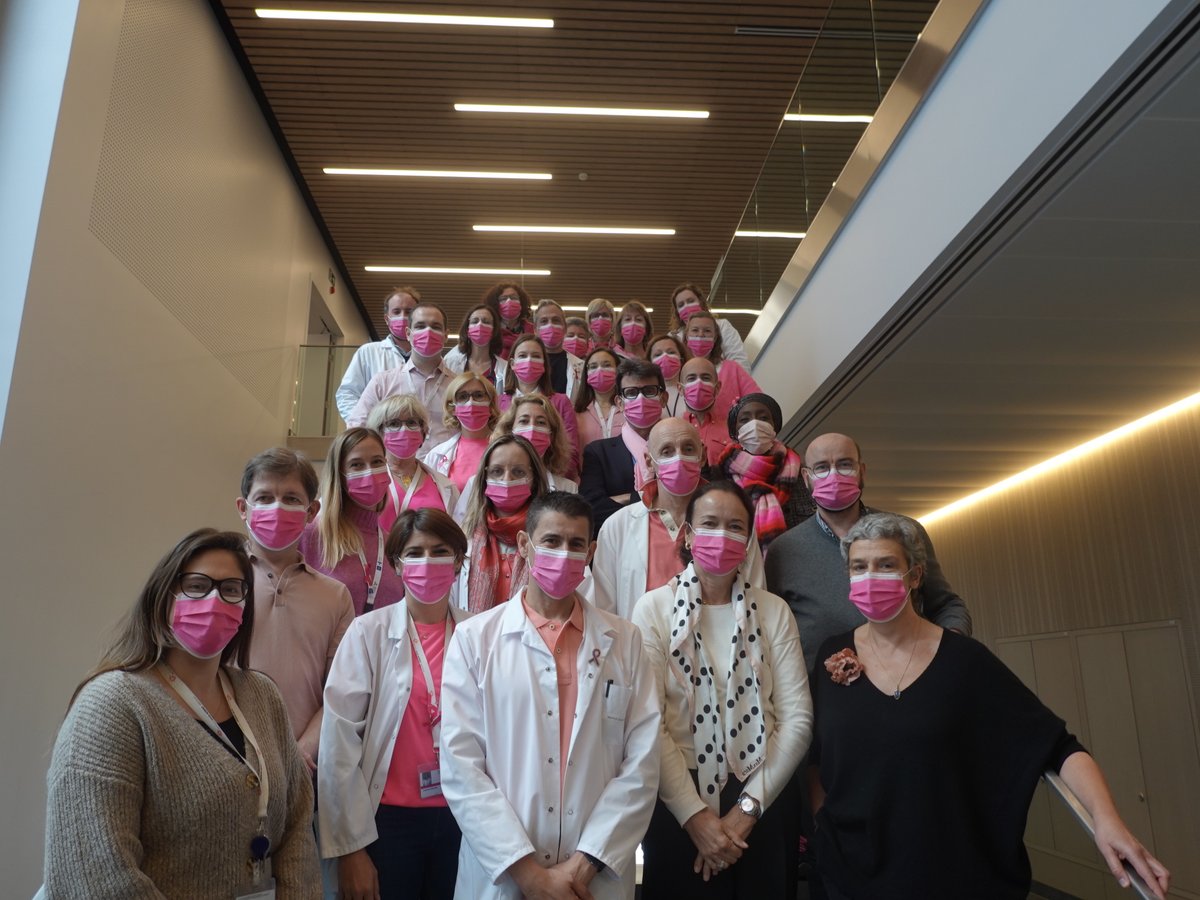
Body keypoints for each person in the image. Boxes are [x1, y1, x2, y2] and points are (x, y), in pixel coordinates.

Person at [808, 513, 1170, 900]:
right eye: (859, 567)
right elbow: (817, 755)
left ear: (914, 576)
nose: (870, 578)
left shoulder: (964, 660)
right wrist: (821, 822)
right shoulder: (832, 653)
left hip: (948, 875)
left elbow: (1057, 745)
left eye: (885, 565)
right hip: (850, 875)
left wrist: (1106, 819)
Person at [43, 529, 320, 898]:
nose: (214, 599)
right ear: (164, 596)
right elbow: (97, 872)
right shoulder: (111, 705)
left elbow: (297, 822)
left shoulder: (262, 695)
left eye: (231, 589)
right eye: (196, 585)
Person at [440, 491, 661, 900]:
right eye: (551, 541)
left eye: (576, 544)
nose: (564, 554)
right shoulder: (476, 639)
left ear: (592, 551)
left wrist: (584, 864)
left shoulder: (626, 641)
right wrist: (529, 875)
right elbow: (461, 766)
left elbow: (642, 762)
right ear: (525, 545)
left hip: (592, 878)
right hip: (504, 874)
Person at [633, 481, 812, 899]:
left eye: (735, 527)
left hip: (764, 787)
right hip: (678, 794)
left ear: (749, 540)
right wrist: (696, 818)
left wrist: (745, 812)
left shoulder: (773, 610)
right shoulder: (653, 609)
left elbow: (797, 718)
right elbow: (647, 720)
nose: (722, 536)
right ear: (689, 535)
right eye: (710, 524)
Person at [319, 508, 472, 900]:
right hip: (388, 823)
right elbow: (338, 745)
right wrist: (352, 849)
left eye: (440, 551)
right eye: (415, 552)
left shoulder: (478, 634)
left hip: (464, 818)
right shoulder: (367, 633)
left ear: (458, 561)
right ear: (397, 565)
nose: (427, 562)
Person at [764, 432, 972, 671]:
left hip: (906, 682)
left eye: (844, 465)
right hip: (823, 697)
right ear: (806, 477)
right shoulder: (783, 550)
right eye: (821, 467)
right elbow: (775, 634)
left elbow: (947, 606)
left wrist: (949, 648)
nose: (834, 475)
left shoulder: (904, 532)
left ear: (862, 471)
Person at [238, 447, 355, 775]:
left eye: (291, 498)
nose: (276, 507)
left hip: (303, 765)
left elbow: (340, 689)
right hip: (227, 757)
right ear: (242, 509)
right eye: (263, 498)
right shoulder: (220, 585)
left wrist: (302, 749)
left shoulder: (335, 596)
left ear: (311, 511)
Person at [593, 417, 765, 621]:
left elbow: (755, 596)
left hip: (721, 647)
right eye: (667, 451)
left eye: (688, 449)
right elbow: (604, 614)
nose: (679, 458)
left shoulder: (735, 524)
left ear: (702, 455)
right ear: (649, 461)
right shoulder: (616, 527)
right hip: (641, 649)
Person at [301, 428, 405, 616]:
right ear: (339, 475)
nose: (370, 472)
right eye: (356, 465)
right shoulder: (311, 535)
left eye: (377, 462)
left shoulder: (392, 544)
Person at [453, 434, 549, 612]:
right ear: (484, 477)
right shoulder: (464, 537)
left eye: (518, 472)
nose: (507, 479)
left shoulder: (551, 537)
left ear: (534, 478)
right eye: (497, 471)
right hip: (476, 636)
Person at [345, 302, 455, 456]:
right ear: (408, 334)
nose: (428, 331)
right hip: (393, 471)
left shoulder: (458, 387)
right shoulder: (383, 383)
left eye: (435, 327)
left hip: (445, 472)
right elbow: (356, 429)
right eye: (420, 326)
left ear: (446, 335)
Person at [713, 393, 814, 552]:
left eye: (763, 418)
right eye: (745, 420)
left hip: (797, 562)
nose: (754, 425)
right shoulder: (720, 476)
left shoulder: (800, 473)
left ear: (775, 425)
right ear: (735, 431)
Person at [578, 358, 667, 535]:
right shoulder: (598, 453)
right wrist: (647, 499)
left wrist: (624, 499)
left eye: (649, 391)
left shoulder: (683, 445)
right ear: (619, 402)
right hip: (619, 547)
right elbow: (592, 511)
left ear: (663, 398)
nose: (640, 399)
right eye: (631, 392)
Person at [366, 393, 460, 533]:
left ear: (423, 432)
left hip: (426, 554)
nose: (404, 429)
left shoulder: (445, 486)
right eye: (394, 424)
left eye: (411, 423)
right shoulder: (364, 479)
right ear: (379, 433)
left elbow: (456, 533)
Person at [499, 332, 581, 479]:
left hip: (552, 482)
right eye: (523, 356)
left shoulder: (561, 402)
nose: (529, 360)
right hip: (509, 481)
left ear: (544, 365)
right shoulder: (498, 403)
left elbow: (572, 453)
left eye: (536, 356)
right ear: (512, 364)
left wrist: (546, 479)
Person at [336, 286, 420, 422]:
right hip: (378, 433)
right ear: (387, 319)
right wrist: (363, 426)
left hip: (419, 434)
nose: (403, 316)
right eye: (397, 311)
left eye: (409, 312)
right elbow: (348, 394)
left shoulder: (429, 357)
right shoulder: (368, 352)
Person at [424, 372, 500, 493]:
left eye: (478, 395)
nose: (471, 402)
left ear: (491, 405)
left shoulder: (507, 448)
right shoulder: (436, 455)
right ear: (452, 408)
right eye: (463, 397)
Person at [682, 310, 760, 424]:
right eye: (695, 330)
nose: (700, 334)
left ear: (715, 338)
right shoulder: (678, 372)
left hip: (729, 438)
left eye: (707, 331)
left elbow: (757, 401)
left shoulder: (732, 369)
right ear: (686, 336)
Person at [492, 394, 579, 492]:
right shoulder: (484, 483)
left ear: (552, 434)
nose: (532, 428)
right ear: (509, 429)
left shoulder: (569, 489)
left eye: (541, 422)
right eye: (524, 421)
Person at [669, 283, 749, 369]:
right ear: (677, 312)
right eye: (681, 305)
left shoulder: (722, 326)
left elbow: (739, 359)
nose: (687, 307)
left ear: (701, 302)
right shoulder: (673, 337)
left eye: (690, 301)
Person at [679, 356, 734, 466]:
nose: (699, 383)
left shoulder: (732, 432)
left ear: (717, 388)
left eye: (706, 378)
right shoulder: (671, 430)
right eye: (691, 379)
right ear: (680, 389)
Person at [443, 303, 510, 389]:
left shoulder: (505, 369)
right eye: (475, 321)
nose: (480, 325)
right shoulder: (450, 363)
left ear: (494, 330)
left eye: (486, 322)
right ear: (467, 330)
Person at [573, 346, 625, 447]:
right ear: (586, 374)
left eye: (607, 365)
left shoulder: (629, 408)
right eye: (593, 367)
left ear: (618, 370)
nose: (600, 370)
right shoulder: (576, 412)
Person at [534, 299, 584, 397]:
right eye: (544, 321)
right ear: (535, 330)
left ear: (565, 328)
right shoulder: (526, 364)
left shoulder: (581, 366)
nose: (550, 325)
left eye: (556, 320)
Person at [485, 281, 534, 359]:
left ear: (522, 303)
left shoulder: (534, 331)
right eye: (503, 299)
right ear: (495, 304)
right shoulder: (489, 333)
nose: (509, 301)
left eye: (514, 298)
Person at [648, 332, 688, 417]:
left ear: (681, 359)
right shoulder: (646, 394)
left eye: (671, 352)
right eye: (658, 354)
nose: (665, 357)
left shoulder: (692, 390)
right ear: (649, 362)